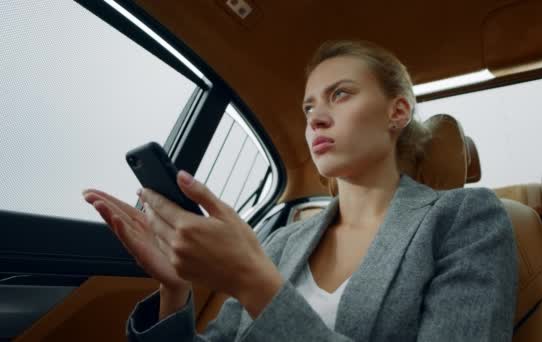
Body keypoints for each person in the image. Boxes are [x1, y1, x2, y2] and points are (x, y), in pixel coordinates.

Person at [82, 40, 517, 341]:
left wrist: (254, 284)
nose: (315, 118)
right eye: (309, 106)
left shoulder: (466, 217)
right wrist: (175, 292)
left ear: (397, 111)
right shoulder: (282, 241)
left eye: (340, 95)